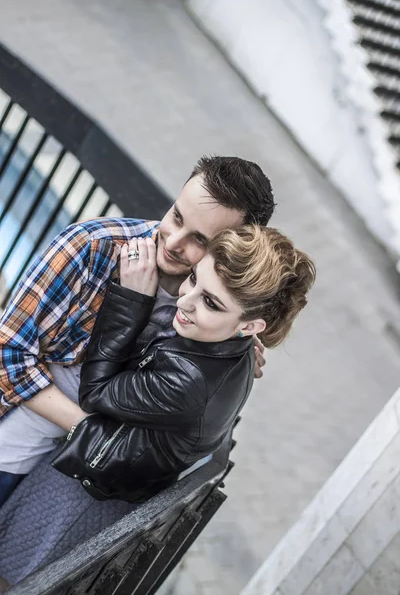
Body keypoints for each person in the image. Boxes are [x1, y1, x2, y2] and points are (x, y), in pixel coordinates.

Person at [0, 225, 315, 589]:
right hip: (97, 481)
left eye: (210, 302)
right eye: (194, 279)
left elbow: (97, 390)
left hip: (81, 495)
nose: (185, 300)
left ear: (252, 325)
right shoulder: (230, 347)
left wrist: (131, 299)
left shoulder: (189, 379)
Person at [0, 155, 274, 503]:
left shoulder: (217, 316)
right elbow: (8, 351)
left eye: (201, 240)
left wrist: (233, 351)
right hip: (13, 450)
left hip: (80, 484)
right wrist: (93, 435)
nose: (174, 242)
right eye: (176, 216)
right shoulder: (92, 248)